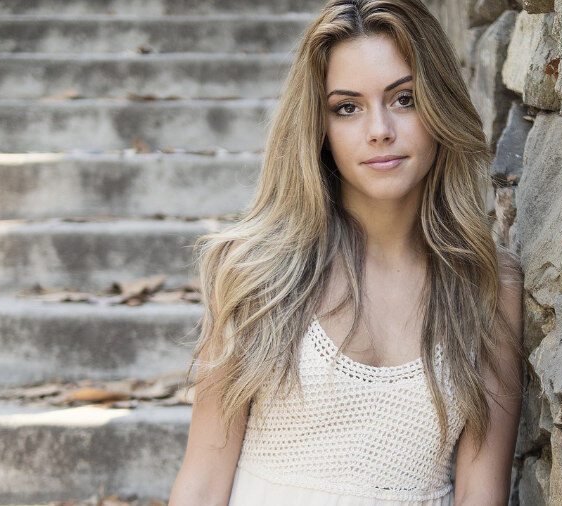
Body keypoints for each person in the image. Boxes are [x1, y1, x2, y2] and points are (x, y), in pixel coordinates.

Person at [168, 0, 525, 504]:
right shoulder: (258, 273)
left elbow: (479, 495)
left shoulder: (489, 286)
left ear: (440, 105)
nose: (379, 129)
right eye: (348, 107)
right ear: (320, 128)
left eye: (404, 98)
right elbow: (203, 481)